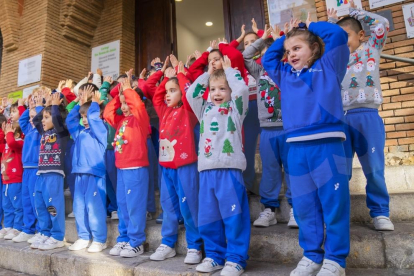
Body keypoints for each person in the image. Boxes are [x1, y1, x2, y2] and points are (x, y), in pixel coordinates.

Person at [262, 14, 350, 276]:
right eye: (288, 51)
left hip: (329, 145)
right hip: (297, 149)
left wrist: (307, 27)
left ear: (314, 48)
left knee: (334, 203)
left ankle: (335, 260)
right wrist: (286, 37)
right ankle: (312, 255)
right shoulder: (284, 73)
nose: (290, 54)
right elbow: (268, 59)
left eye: (297, 48)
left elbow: (338, 35)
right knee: (304, 205)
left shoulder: (330, 64)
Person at [328, 1, 393, 231]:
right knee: (340, 172)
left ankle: (380, 212)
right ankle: (339, 216)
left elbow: (383, 23)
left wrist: (354, 12)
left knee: (374, 169)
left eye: (346, 35)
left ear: (361, 35)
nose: (342, 41)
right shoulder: (334, 58)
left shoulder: (372, 48)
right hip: (342, 120)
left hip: (368, 115)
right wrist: (330, 25)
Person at [187, 56, 250, 276]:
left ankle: (236, 259)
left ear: (230, 91)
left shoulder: (236, 109)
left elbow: (242, 90)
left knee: (233, 217)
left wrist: (229, 70)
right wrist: (208, 72)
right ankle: (214, 256)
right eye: (213, 89)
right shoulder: (203, 109)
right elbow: (191, 92)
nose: (216, 93)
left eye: (222, 89)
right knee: (208, 217)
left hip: (230, 170)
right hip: (206, 171)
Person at [243, 25, 297, 228]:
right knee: (270, 171)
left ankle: (296, 209)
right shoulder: (259, 72)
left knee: (293, 170)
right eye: (265, 53)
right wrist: (263, 38)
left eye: (274, 52)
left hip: (289, 128)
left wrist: (280, 40)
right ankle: (269, 209)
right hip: (266, 130)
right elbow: (246, 56)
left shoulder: (287, 69)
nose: (269, 57)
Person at [150, 63, 202, 264]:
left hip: (185, 166)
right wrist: (166, 79)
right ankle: (168, 243)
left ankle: (195, 245)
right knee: (168, 206)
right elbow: (156, 96)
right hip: (166, 167)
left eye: (173, 91)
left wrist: (180, 75)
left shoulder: (189, 111)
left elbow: (190, 93)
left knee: (188, 206)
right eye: (167, 91)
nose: (167, 94)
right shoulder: (164, 111)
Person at [104, 71, 150, 258]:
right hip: (121, 168)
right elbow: (107, 113)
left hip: (136, 168)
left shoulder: (140, 119)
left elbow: (137, 105)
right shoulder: (121, 120)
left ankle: (136, 241)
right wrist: (120, 91)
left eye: (126, 103)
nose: (123, 107)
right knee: (122, 205)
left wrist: (129, 89)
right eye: (122, 104)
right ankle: (124, 238)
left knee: (134, 206)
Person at [66, 90, 108, 253]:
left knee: (95, 208)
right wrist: (78, 105)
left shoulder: (100, 131)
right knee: (79, 207)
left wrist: (95, 104)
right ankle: (84, 237)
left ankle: (99, 239)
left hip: (95, 175)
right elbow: (70, 120)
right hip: (79, 174)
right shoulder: (80, 133)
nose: (84, 120)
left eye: (87, 116)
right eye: (82, 117)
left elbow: (93, 118)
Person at [30, 92, 69, 250]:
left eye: (48, 117)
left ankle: (58, 236)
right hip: (41, 173)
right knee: (40, 204)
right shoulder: (44, 132)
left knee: (53, 205)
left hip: (54, 173)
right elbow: (35, 119)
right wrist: (41, 106)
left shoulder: (61, 133)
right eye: (44, 117)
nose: (43, 121)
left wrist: (54, 106)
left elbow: (57, 120)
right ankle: (45, 232)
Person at [13, 94, 43, 243]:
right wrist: (29, 108)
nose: (31, 119)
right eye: (31, 117)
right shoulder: (29, 129)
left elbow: (40, 119)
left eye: (34, 117)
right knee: (26, 200)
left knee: (34, 200)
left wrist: (38, 109)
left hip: (36, 168)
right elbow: (23, 120)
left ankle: (39, 229)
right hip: (26, 169)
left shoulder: (40, 130)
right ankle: (28, 229)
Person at [0, 121, 24, 240]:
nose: (6, 136)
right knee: (7, 205)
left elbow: (11, 142)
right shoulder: (7, 144)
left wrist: (9, 134)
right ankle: (8, 226)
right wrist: (5, 132)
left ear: (17, 134)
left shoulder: (19, 143)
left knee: (17, 205)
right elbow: (5, 142)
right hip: (6, 181)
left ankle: (17, 227)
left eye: (10, 133)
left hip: (16, 180)